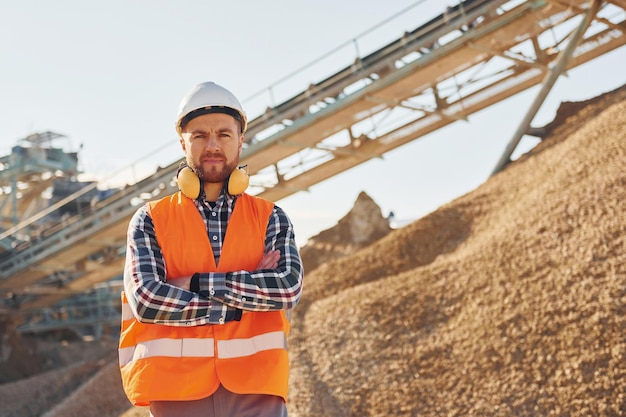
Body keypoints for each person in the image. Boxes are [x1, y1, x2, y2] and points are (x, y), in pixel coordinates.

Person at [119, 81, 304, 417]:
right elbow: (147, 298)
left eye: (224, 134)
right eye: (200, 136)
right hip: (176, 392)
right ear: (182, 143)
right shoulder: (150, 219)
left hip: (256, 389)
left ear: (240, 140)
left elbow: (287, 287)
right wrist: (239, 300)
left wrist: (191, 283)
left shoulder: (270, 217)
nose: (213, 145)